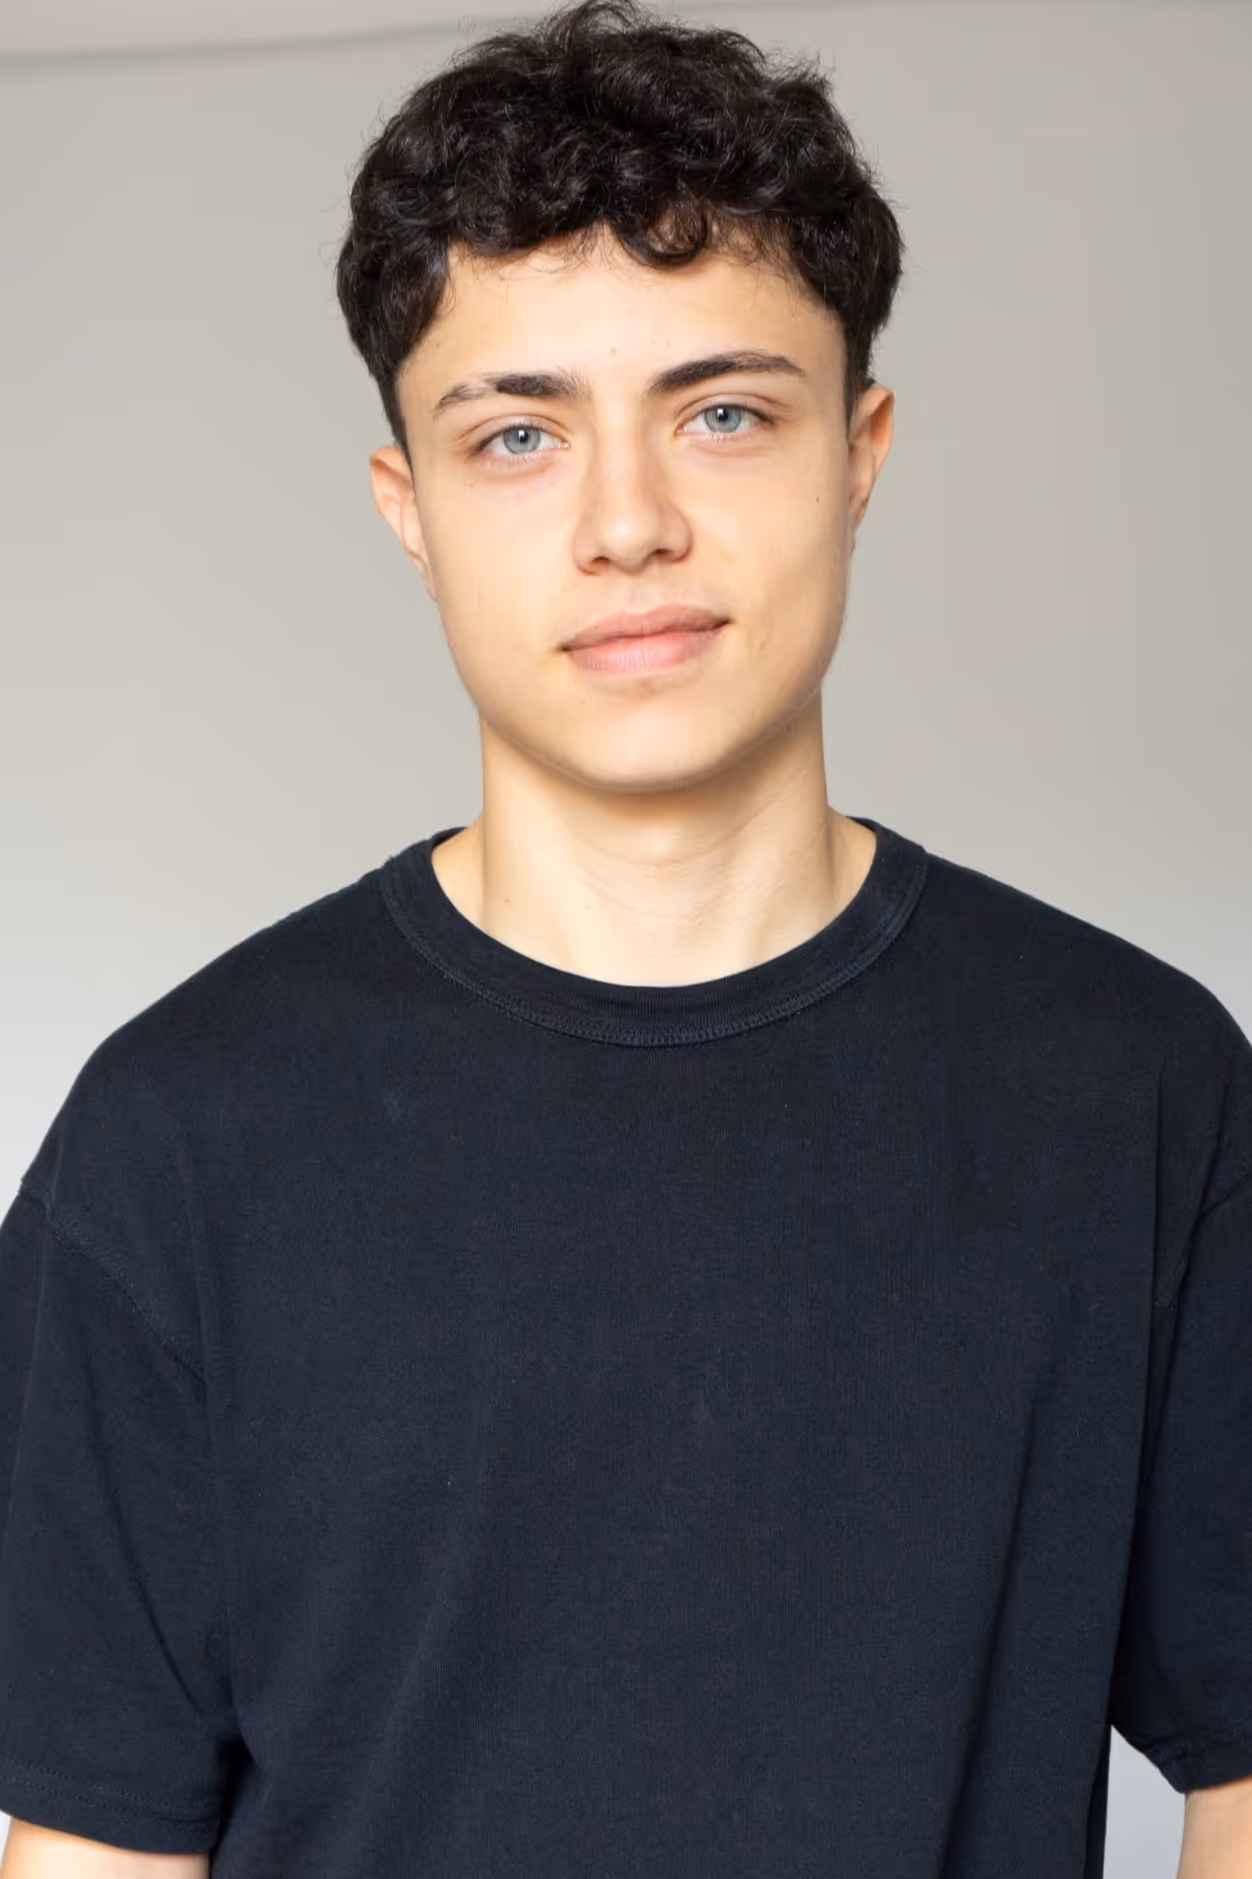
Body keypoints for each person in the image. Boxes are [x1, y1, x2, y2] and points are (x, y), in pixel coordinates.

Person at [1, 1, 1249, 1874]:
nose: (628, 523)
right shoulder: (176, 1142)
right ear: (408, 510)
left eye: (724, 412)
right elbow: (89, 1845)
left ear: (860, 452)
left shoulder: (1137, 1091)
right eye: (517, 436)